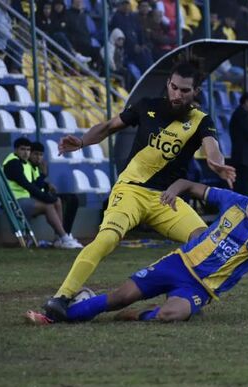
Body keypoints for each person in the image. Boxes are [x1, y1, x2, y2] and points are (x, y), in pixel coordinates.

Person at [41, 61, 237, 321]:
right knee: (107, 239)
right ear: (168, 84)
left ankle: (182, 297)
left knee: (203, 240)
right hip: (130, 191)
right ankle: (62, 297)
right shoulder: (147, 106)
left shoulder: (200, 120)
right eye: (174, 87)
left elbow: (212, 146)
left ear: (196, 91)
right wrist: (82, 141)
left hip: (166, 198)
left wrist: (216, 162)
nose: (177, 94)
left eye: (185, 90)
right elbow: (110, 126)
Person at [25, 178, 248, 324]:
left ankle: (138, 316)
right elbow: (189, 184)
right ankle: (57, 316)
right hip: (178, 263)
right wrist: (173, 191)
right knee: (118, 297)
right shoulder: (234, 201)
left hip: (201, 287)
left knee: (171, 315)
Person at [2, 137, 81, 249]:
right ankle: (64, 238)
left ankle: (60, 238)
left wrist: (45, 185)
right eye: (22, 149)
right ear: (15, 150)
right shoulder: (13, 163)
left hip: (24, 199)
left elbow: (33, 184)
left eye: (28, 150)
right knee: (49, 206)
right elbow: (28, 186)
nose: (26, 153)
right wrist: (47, 197)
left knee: (57, 200)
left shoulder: (23, 163)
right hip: (15, 201)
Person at [29, 141, 84, 248]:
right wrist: (44, 176)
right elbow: (32, 185)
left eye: (40, 155)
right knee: (58, 200)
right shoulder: (27, 166)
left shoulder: (37, 167)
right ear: (30, 154)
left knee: (72, 198)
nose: (38, 157)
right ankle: (62, 237)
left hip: (42, 196)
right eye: (35, 154)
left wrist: (46, 184)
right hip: (35, 199)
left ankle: (65, 234)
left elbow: (38, 183)